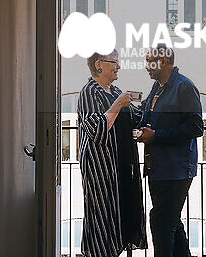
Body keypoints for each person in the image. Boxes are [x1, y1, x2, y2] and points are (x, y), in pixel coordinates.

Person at [77, 50, 147, 257]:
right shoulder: (90, 92)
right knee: (102, 216)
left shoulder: (115, 91)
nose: (119, 67)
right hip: (100, 169)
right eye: (114, 62)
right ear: (99, 65)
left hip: (120, 167)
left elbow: (136, 118)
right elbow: (97, 129)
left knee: (120, 216)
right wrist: (118, 104)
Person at [137, 44, 204, 257]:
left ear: (164, 61)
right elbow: (146, 115)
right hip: (157, 168)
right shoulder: (157, 87)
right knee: (171, 221)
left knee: (161, 223)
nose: (146, 66)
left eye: (149, 61)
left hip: (176, 169)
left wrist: (156, 135)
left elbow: (196, 127)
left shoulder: (184, 87)